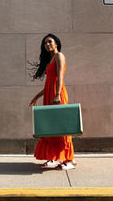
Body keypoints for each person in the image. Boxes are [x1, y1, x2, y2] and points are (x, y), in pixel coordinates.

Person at [29, 33, 76, 170]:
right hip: (50, 95)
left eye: (50, 41)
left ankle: (69, 160)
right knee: (50, 128)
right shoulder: (50, 60)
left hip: (57, 95)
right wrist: (37, 96)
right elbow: (49, 83)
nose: (47, 44)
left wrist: (57, 95)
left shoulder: (59, 56)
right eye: (45, 43)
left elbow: (60, 77)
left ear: (56, 43)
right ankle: (54, 157)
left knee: (62, 127)